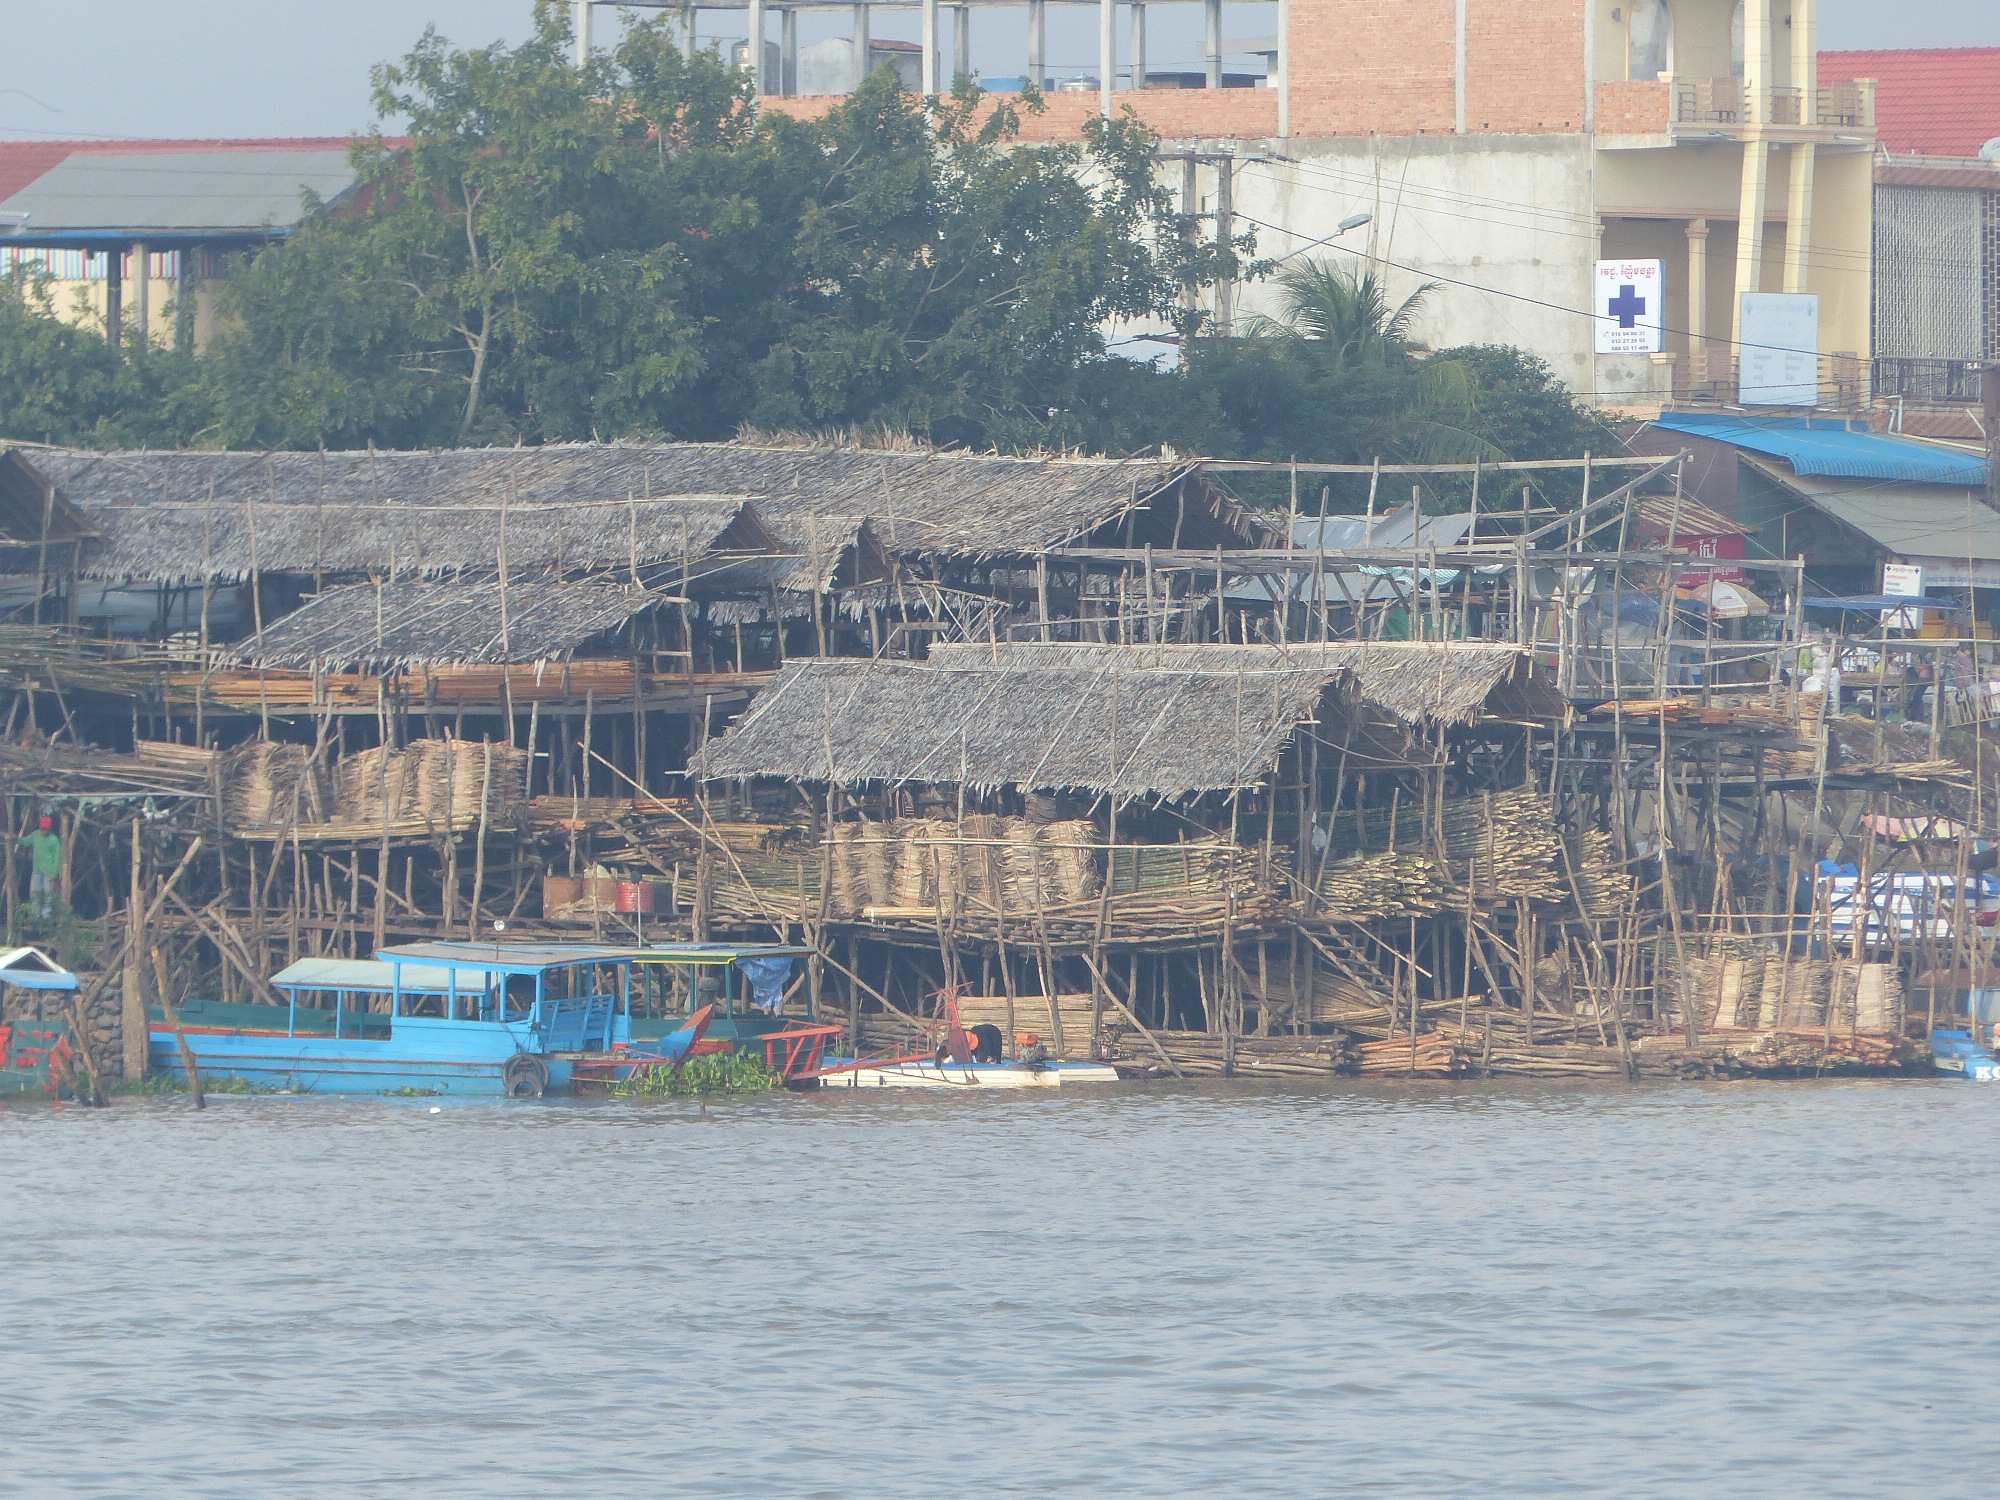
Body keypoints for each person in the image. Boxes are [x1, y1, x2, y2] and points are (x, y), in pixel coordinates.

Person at [16, 814, 59, 919]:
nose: (44, 831)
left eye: (46, 829)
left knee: (48, 894)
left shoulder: (54, 840)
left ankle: (46, 915)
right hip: (36, 870)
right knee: (35, 893)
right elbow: (26, 841)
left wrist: (54, 873)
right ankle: (35, 914)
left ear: (49, 828)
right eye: (42, 829)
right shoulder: (35, 835)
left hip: (49, 872)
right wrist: (15, 839)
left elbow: (57, 857)